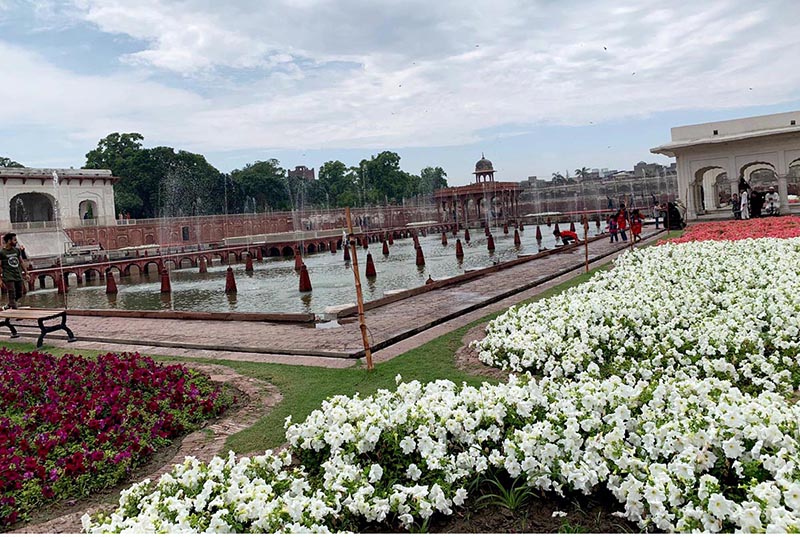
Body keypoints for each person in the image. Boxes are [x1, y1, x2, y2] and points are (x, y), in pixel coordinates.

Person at [0, 233, 29, 309]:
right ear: (9, 241)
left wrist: (26, 273)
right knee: (12, 292)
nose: (16, 242)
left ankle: (10, 304)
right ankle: (16, 311)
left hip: (18, 274)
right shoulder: (2, 252)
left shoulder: (17, 250)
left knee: (20, 293)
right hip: (8, 276)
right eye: (15, 240)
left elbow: (21, 262)